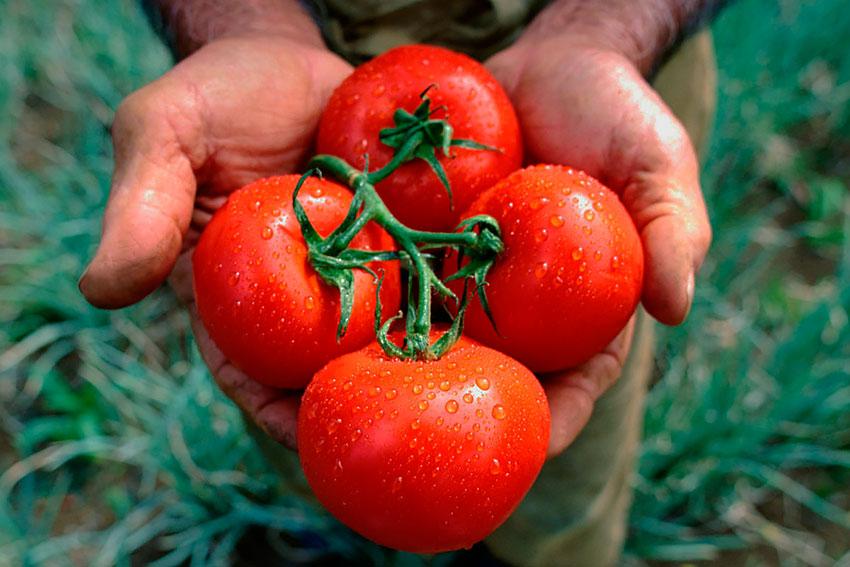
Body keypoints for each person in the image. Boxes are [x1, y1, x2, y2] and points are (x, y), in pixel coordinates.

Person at [79, 1, 723, 565]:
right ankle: (340, 532)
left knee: (572, 478)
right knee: (304, 448)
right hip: (282, 79)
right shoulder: (298, 232)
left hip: (607, 74)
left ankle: (552, 554)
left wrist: (602, 28)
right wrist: (246, 22)